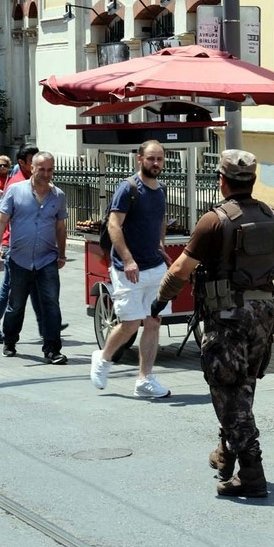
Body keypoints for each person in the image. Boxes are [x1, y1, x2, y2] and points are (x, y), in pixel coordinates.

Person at [150, 149, 274, 498]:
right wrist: (264, 260)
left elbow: (180, 270)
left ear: (221, 181)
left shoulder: (214, 221)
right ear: (252, 180)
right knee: (243, 385)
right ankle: (226, 454)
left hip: (228, 317)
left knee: (227, 389)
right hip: (264, 313)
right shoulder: (271, 214)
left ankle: (251, 473)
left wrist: (159, 301)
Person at [90, 140, 172, 399]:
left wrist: (161, 246)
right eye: (150, 158)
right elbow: (114, 225)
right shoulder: (128, 188)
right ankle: (103, 359)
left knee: (153, 321)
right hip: (128, 269)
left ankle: (144, 379)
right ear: (139, 159)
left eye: (159, 158)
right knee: (130, 323)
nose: (155, 163)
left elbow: (159, 219)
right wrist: (127, 259)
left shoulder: (161, 190)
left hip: (154, 266)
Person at [0, 151, 68, 363]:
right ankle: (10, 340)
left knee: (51, 304)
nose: (46, 173)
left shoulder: (58, 195)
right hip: (19, 259)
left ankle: (52, 349)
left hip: (47, 259)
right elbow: (0, 222)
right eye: (41, 169)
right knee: (16, 304)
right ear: (31, 168)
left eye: (50, 169)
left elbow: (61, 227)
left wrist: (62, 254)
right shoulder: (15, 191)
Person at [0, 145, 40, 345]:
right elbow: (2, 220)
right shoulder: (18, 184)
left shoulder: (31, 181)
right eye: (32, 161)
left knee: (33, 288)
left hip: (24, 246)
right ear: (22, 163)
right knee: (9, 289)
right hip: (13, 246)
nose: (36, 165)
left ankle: (47, 324)